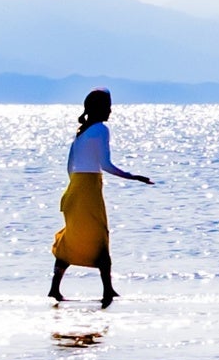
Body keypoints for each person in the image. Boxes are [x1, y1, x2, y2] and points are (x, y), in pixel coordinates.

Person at [47, 88, 153, 306]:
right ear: (100, 108)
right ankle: (108, 290)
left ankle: (55, 288)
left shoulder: (81, 133)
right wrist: (133, 176)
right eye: (108, 106)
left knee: (73, 237)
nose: (111, 111)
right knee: (99, 238)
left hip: (76, 189)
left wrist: (75, 188)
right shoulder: (101, 130)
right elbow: (105, 165)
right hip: (88, 191)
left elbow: (69, 166)